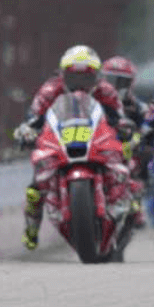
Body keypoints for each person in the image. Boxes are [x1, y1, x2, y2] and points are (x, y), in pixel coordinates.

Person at [12, 45, 137, 251]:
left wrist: (124, 127)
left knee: (125, 156)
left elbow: (119, 117)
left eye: (86, 78)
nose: (80, 84)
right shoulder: (49, 91)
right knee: (36, 185)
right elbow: (33, 118)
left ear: (97, 77)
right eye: (74, 78)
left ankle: (127, 195)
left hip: (96, 138)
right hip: (61, 139)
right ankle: (31, 228)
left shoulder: (106, 91)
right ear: (63, 75)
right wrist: (27, 130)